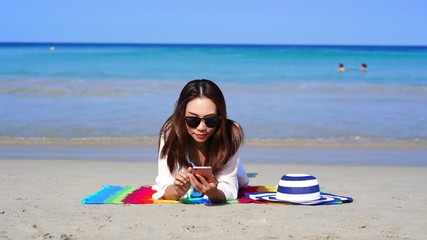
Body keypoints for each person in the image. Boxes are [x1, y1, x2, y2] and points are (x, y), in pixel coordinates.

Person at [152, 79, 249, 203]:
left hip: (229, 169)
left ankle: (238, 169)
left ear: (221, 117)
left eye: (210, 120)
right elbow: (164, 185)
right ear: (181, 116)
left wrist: (212, 192)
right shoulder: (170, 133)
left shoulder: (231, 134)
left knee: (242, 180)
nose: (201, 128)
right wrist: (177, 191)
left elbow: (229, 188)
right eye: (193, 120)